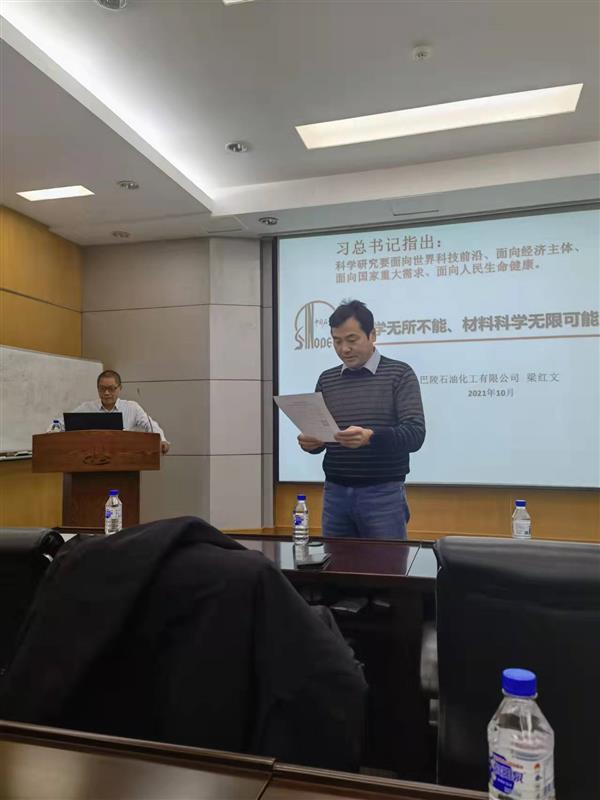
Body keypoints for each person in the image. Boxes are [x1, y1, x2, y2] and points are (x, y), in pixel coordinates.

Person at [297, 300, 425, 539]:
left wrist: (371, 437)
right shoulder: (327, 379)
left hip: (383, 495)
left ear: (372, 335)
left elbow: (415, 434)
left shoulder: (399, 374)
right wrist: (311, 442)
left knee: (386, 562)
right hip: (335, 494)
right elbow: (321, 437)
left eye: (351, 340)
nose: (344, 349)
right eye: (337, 341)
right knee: (335, 561)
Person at [68, 369, 170, 454]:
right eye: (102, 388)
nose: (106, 393)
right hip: (93, 459)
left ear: (120, 388)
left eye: (111, 389)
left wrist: (162, 440)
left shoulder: (132, 407)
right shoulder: (87, 407)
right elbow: (64, 423)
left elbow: (150, 425)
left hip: (125, 459)